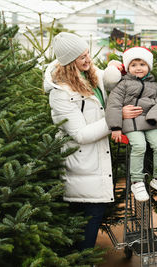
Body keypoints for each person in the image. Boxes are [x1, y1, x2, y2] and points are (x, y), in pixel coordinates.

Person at [43, 32, 142, 250]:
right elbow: (81, 135)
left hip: (97, 159)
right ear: (69, 63)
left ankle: (82, 257)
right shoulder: (60, 93)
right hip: (83, 165)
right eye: (82, 57)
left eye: (87, 53)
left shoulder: (88, 74)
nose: (88, 59)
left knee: (92, 218)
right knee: (89, 219)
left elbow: (104, 82)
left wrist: (114, 69)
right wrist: (116, 117)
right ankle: (83, 260)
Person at [105, 46, 157, 202]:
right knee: (139, 145)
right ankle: (137, 181)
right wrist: (115, 127)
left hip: (150, 122)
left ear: (148, 66)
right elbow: (113, 105)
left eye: (142, 64)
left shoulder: (155, 86)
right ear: (128, 67)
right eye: (134, 65)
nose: (138, 68)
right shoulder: (122, 84)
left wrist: (152, 118)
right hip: (130, 123)